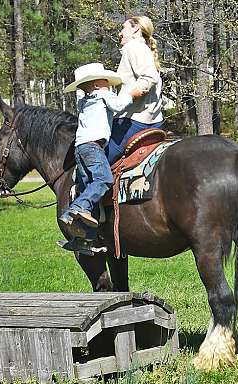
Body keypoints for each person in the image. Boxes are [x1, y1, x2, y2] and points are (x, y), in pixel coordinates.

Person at [58, 63, 144, 254]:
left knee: (91, 190)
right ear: (97, 84)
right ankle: (76, 207)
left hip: (80, 148)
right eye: (106, 81)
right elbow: (119, 105)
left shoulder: (84, 102)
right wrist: (133, 93)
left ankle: (84, 239)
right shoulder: (103, 95)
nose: (109, 85)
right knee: (104, 179)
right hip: (93, 147)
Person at [106, 15, 164, 164]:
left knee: (96, 166)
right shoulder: (144, 49)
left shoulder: (133, 46)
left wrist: (130, 96)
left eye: (123, 28)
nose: (120, 33)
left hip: (133, 122)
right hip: (154, 122)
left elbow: (150, 77)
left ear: (135, 29)